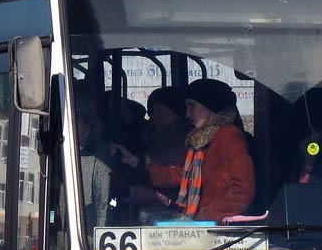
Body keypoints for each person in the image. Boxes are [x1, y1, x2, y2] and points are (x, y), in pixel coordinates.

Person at [115, 78, 255, 222]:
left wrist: (205, 218)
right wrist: (139, 163)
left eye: (191, 106)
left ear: (209, 106)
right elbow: (181, 176)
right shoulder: (201, 140)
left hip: (215, 229)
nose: (187, 114)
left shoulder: (228, 135)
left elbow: (242, 190)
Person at [74, 86, 113, 228]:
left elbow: (103, 203)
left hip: (88, 238)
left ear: (89, 123)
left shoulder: (101, 153)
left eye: (76, 120)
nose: (71, 125)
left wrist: (98, 237)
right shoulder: (69, 149)